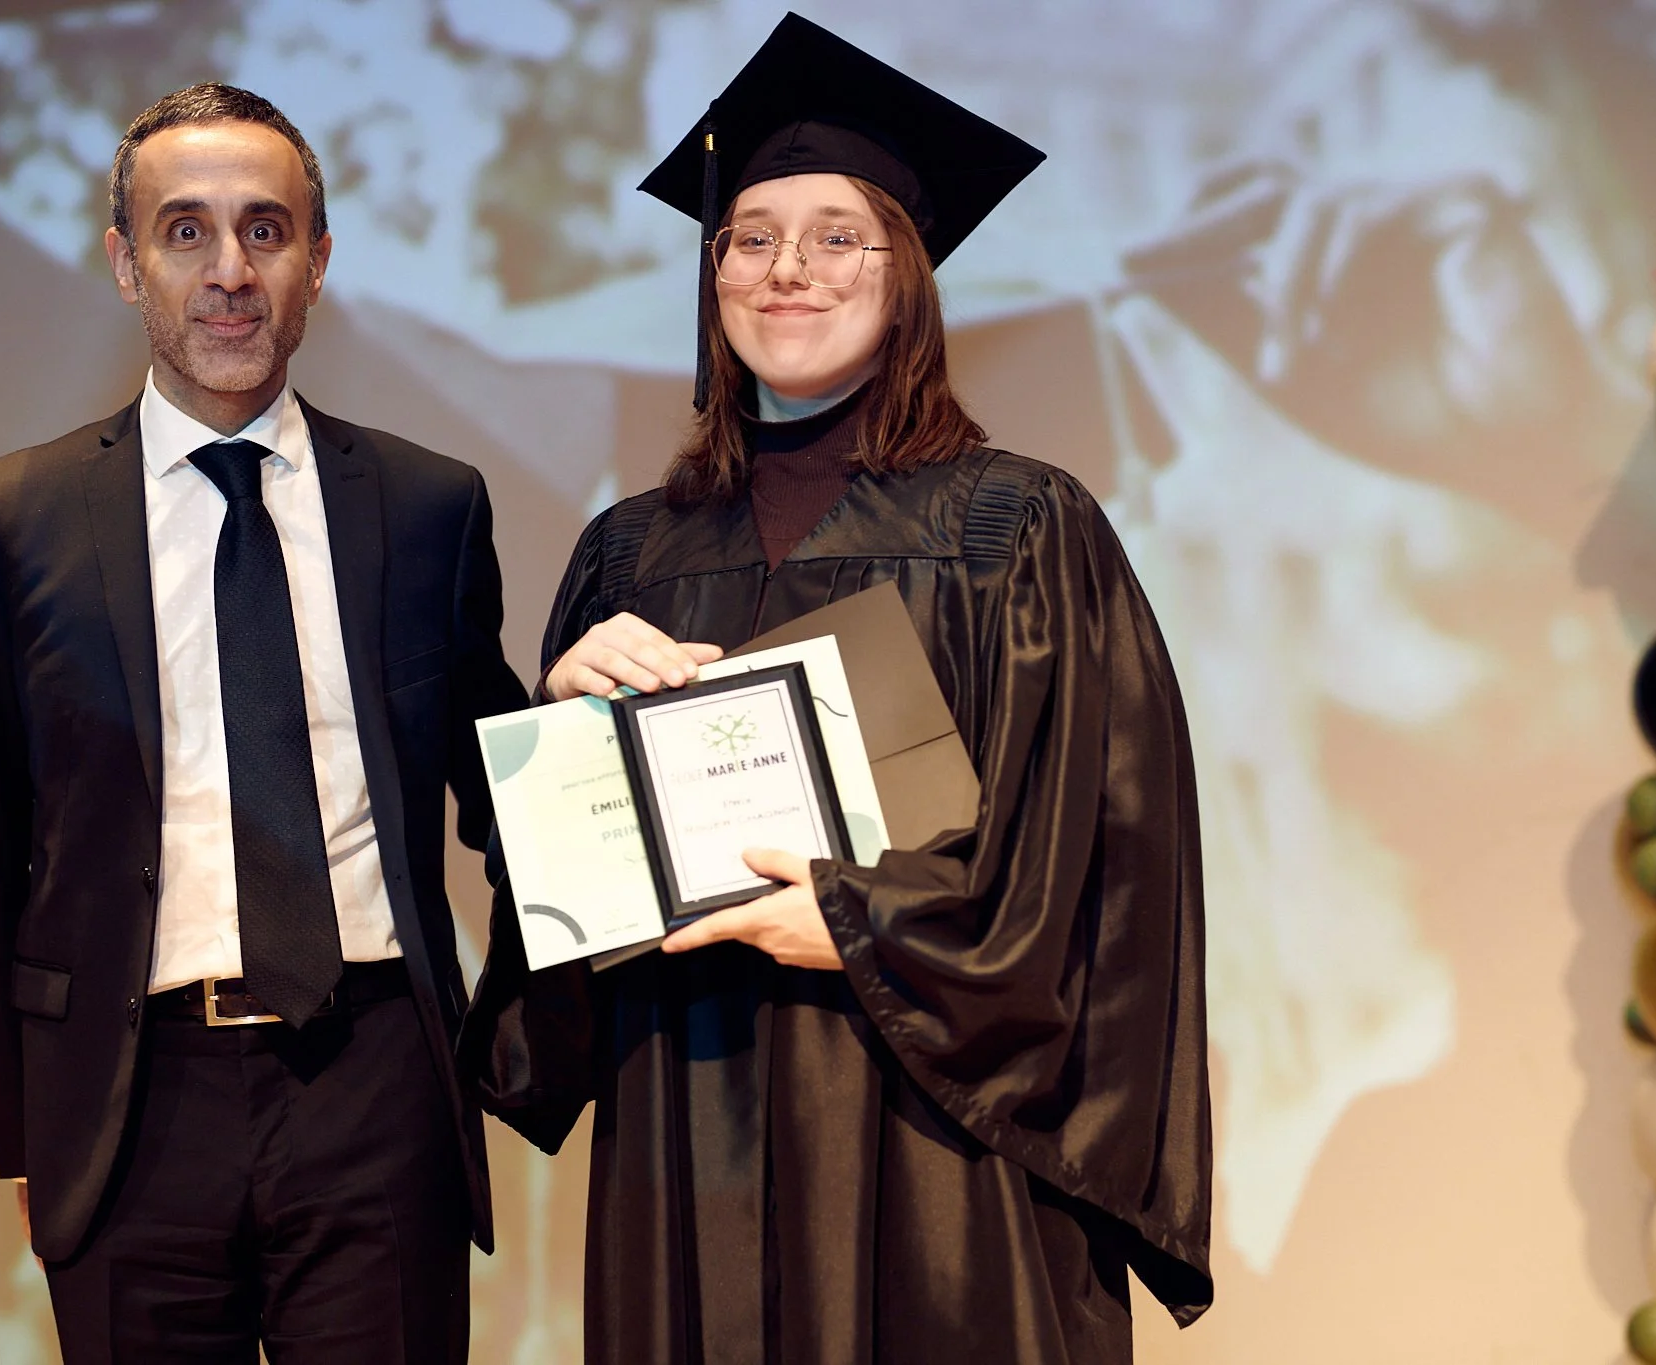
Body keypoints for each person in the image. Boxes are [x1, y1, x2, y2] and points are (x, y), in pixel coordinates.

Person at [462, 14, 1212, 1363]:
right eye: (749, 238)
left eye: (836, 237)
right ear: (712, 274)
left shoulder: (1015, 530)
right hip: (686, 1118)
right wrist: (563, 737)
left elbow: (1099, 872)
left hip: (936, 1140)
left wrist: (869, 926)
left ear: (905, 276)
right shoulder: (630, 553)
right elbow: (559, 942)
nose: (787, 271)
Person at [0, 82, 525, 1363]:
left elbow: (509, 800)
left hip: (377, 1090)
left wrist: (512, 1047)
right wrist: (28, 1134)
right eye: (184, 230)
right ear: (125, 264)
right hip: (127, 1105)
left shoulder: (428, 506)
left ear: (317, 261)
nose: (230, 271)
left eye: (266, 229)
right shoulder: (10, 518)